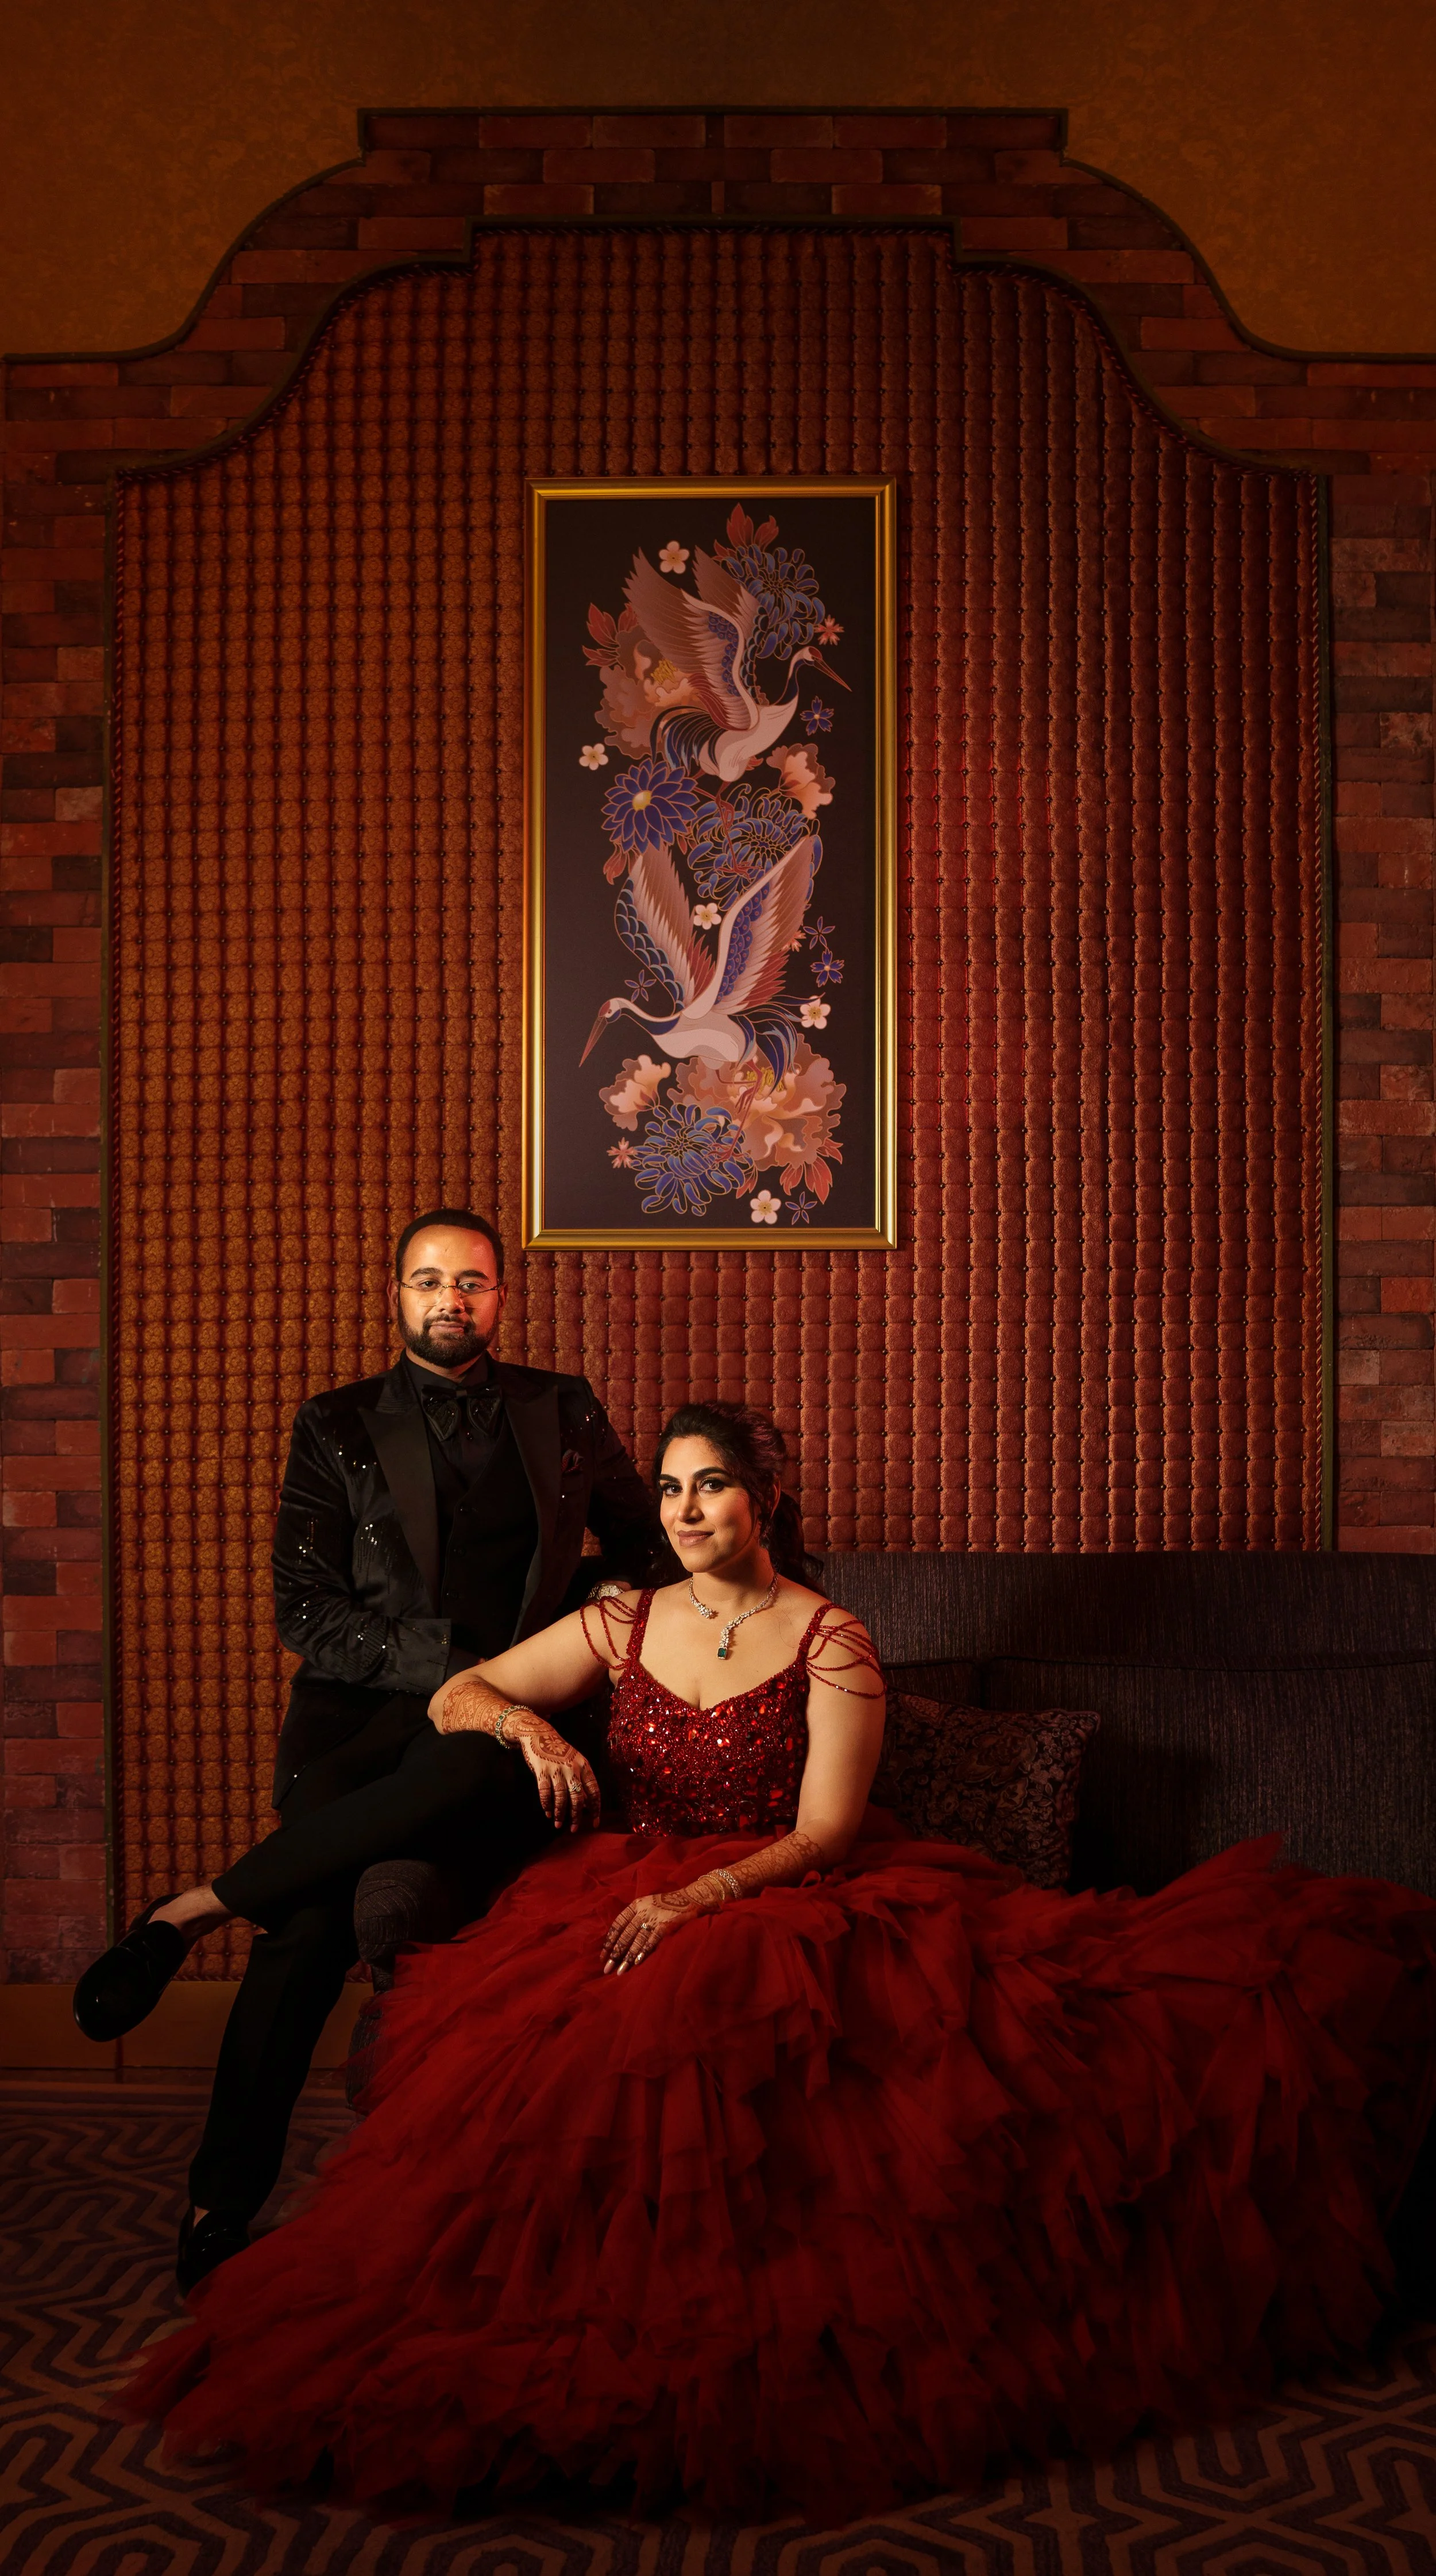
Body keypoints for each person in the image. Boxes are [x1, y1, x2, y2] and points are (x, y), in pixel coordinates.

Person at [122, 1400, 1436, 2524]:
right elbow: (455, 1690)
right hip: (613, 1882)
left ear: (762, 1499)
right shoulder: (621, 1615)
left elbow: (825, 1831)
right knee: (559, 2059)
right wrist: (532, 1736)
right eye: (676, 1487)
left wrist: (700, 1896)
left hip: (781, 1892)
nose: (690, 1507)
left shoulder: (830, 1637)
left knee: (739, 2035)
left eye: (715, 1485)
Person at [75, 1209, 656, 2293]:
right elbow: (308, 1614)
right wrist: (452, 1670)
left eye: (473, 1282)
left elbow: (644, 1540)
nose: (452, 1300)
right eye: (429, 1281)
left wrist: (627, 1591)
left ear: (501, 1294)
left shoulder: (561, 1407)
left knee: (477, 1763)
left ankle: (188, 1911)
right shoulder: (335, 1424)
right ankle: (220, 2204)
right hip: (358, 1720)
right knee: (301, 1937)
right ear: (396, 1296)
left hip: (500, 1726)